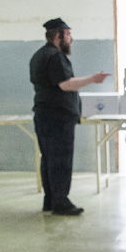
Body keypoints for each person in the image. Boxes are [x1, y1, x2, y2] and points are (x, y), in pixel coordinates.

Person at [30, 18, 109, 215]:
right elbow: (65, 84)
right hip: (58, 118)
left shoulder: (39, 55)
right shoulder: (55, 57)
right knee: (60, 160)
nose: (71, 39)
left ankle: (50, 200)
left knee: (48, 159)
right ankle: (61, 203)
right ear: (58, 35)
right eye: (68, 34)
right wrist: (93, 79)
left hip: (44, 115)